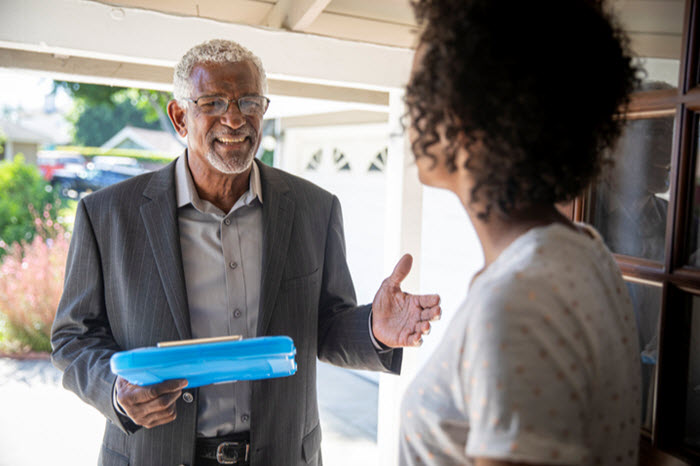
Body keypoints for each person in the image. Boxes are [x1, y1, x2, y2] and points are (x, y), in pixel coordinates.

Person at [51, 39, 441, 466]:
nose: (234, 118)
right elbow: (73, 336)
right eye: (213, 102)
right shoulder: (107, 214)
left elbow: (325, 326)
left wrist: (374, 329)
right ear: (180, 117)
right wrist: (115, 391)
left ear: (264, 110)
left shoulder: (314, 208)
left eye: (249, 102)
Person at [399, 1, 641, 465]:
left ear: (466, 115)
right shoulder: (583, 251)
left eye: (420, 90)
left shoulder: (516, 302)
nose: (410, 108)